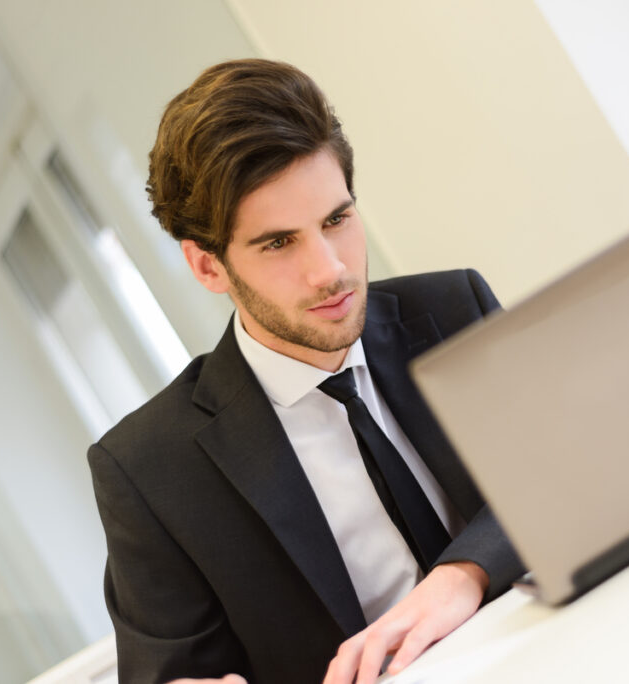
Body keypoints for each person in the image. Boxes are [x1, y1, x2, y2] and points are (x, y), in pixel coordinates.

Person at [87, 58, 524, 684]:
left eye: (336, 220)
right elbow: (173, 674)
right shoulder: (150, 470)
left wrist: (465, 573)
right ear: (208, 267)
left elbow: (567, 472)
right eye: (278, 243)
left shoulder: (455, 309)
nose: (329, 271)